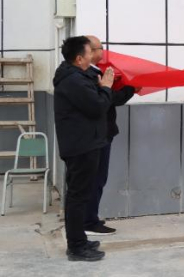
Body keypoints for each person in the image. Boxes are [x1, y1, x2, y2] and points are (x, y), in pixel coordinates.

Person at [53, 36, 114, 261]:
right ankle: (76, 247)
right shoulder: (73, 81)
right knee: (78, 197)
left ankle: (79, 239)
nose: (94, 56)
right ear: (79, 58)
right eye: (90, 53)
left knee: (80, 195)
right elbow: (97, 107)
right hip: (81, 146)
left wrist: (101, 85)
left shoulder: (77, 75)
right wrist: (106, 87)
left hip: (85, 143)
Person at [83, 36, 137, 236]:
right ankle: (88, 222)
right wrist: (130, 88)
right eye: (100, 48)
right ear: (89, 51)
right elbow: (109, 99)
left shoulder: (93, 72)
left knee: (97, 179)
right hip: (97, 135)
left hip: (101, 133)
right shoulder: (87, 75)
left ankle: (89, 218)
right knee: (95, 179)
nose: (103, 52)